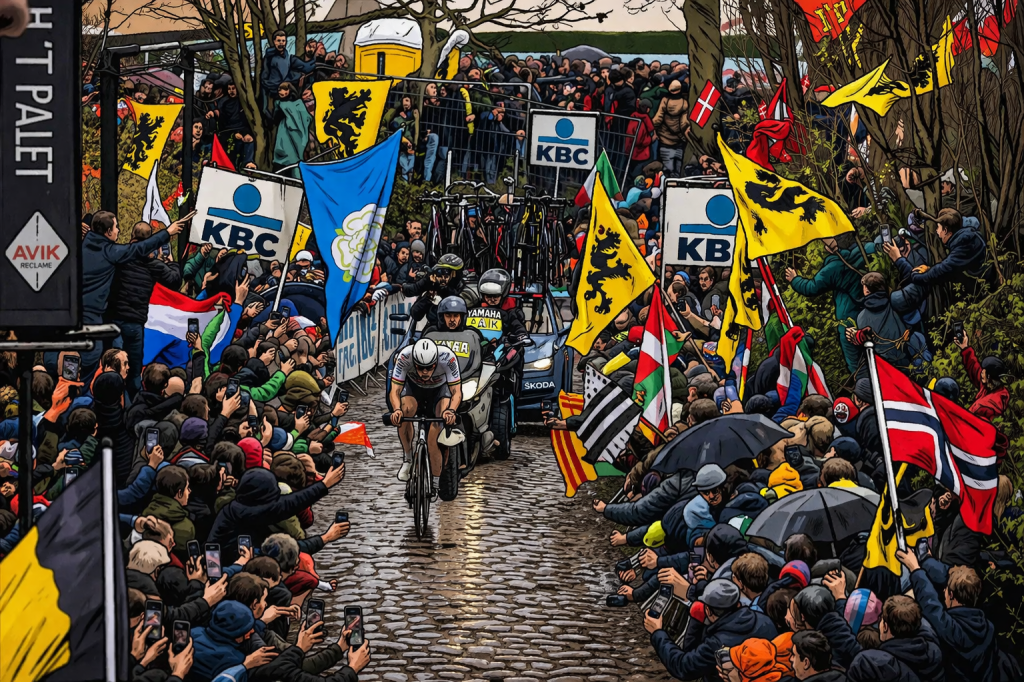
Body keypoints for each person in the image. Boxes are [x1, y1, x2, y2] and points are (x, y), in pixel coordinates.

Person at [82, 211, 187, 378]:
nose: (118, 230)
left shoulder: (92, 248)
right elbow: (173, 279)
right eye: (116, 227)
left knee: (110, 363)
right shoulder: (116, 254)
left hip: (110, 319)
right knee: (132, 368)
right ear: (108, 232)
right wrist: (170, 258)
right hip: (130, 322)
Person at [107, 222, 183, 398]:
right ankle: (132, 404)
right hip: (134, 324)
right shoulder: (152, 265)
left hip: (113, 321)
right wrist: (171, 263)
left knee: (114, 367)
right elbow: (174, 281)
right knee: (133, 371)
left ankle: (114, 402)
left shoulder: (119, 256)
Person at [388, 338, 462, 497]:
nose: (425, 372)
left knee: (434, 436)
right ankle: (408, 458)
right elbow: (394, 391)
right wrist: (396, 411)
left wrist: (451, 411)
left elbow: (456, 392)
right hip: (414, 390)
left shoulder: (447, 358)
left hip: (439, 391)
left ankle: (435, 483)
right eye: (420, 368)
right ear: (414, 362)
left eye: (429, 368)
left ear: (436, 362)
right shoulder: (404, 357)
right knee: (405, 410)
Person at [785, 237, 865, 374]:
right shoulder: (865, 251)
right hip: (869, 311)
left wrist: (795, 279)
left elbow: (812, 287)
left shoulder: (834, 267)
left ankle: (862, 385)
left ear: (830, 247)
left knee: (856, 363)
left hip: (848, 319)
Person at [952, 331, 1009, 420]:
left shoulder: (986, 406)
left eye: (983, 371)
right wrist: (965, 347)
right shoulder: (991, 387)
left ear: (989, 376)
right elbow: (974, 368)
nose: (981, 372)